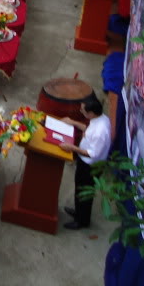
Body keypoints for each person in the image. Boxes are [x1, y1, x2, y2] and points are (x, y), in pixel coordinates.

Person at [58, 94, 112, 230]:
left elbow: (93, 153)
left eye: (83, 111)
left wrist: (72, 148)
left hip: (90, 166)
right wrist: (73, 122)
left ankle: (82, 220)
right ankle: (78, 211)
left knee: (85, 193)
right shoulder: (100, 119)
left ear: (92, 113)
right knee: (79, 188)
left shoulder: (101, 131)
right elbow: (88, 130)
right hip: (84, 162)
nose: (81, 112)